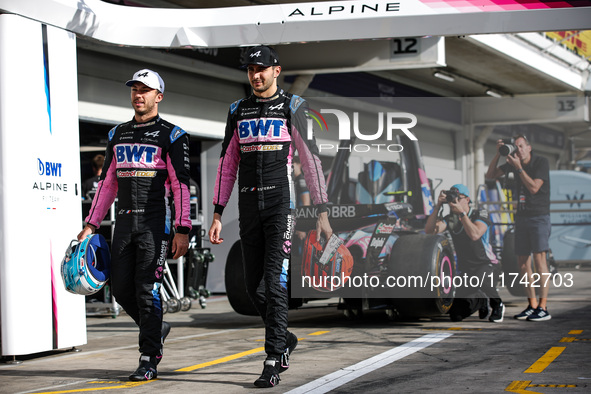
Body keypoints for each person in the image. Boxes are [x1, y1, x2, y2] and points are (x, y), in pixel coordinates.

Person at [208, 45, 332, 388]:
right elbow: (227, 164)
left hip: (281, 206)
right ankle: (284, 337)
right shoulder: (237, 110)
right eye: (250, 69)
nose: (255, 75)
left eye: (261, 68)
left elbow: (311, 161)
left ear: (277, 71)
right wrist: (217, 212)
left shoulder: (294, 106)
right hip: (247, 206)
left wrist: (322, 211)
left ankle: (273, 358)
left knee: (276, 284)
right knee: (253, 287)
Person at [77, 69, 192, 380]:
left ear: (159, 96)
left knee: (146, 290)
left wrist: (183, 229)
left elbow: (182, 185)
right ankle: (155, 327)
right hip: (126, 223)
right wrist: (91, 224)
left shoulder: (173, 134)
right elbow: (107, 183)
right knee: (119, 287)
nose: (138, 95)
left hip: (156, 222)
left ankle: (148, 358)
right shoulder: (117, 134)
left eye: (145, 90)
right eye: (134, 89)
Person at [486, 135, 551, 322]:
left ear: (529, 147)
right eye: (516, 147)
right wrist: (497, 155)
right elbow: (490, 175)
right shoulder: (513, 163)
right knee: (522, 263)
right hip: (521, 217)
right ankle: (532, 305)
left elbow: (534, 188)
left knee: (539, 260)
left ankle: (543, 306)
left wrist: (519, 168)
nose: (519, 150)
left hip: (539, 216)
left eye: (521, 146)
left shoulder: (540, 162)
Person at [425, 184, 505, 323]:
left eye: (458, 198)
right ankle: (481, 299)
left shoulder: (479, 213)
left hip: (487, 265)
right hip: (467, 270)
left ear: (467, 199)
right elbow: (430, 231)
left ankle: (497, 304)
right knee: (456, 315)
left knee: (482, 278)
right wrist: (437, 206)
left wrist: (462, 214)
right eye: (451, 199)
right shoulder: (450, 218)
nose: (453, 202)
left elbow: (475, 234)